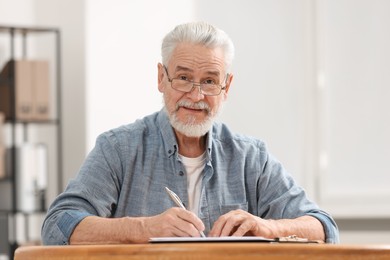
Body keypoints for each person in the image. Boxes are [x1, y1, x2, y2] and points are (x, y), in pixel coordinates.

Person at [41, 21, 339, 245]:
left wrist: (268, 228)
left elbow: (324, 228)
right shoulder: (118, 149)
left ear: (227, 87)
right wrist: (143, 229)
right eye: (183, 78)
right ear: (161, 78)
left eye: (209, 81)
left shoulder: (251, 157)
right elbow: (57, 225)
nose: (196, 96)